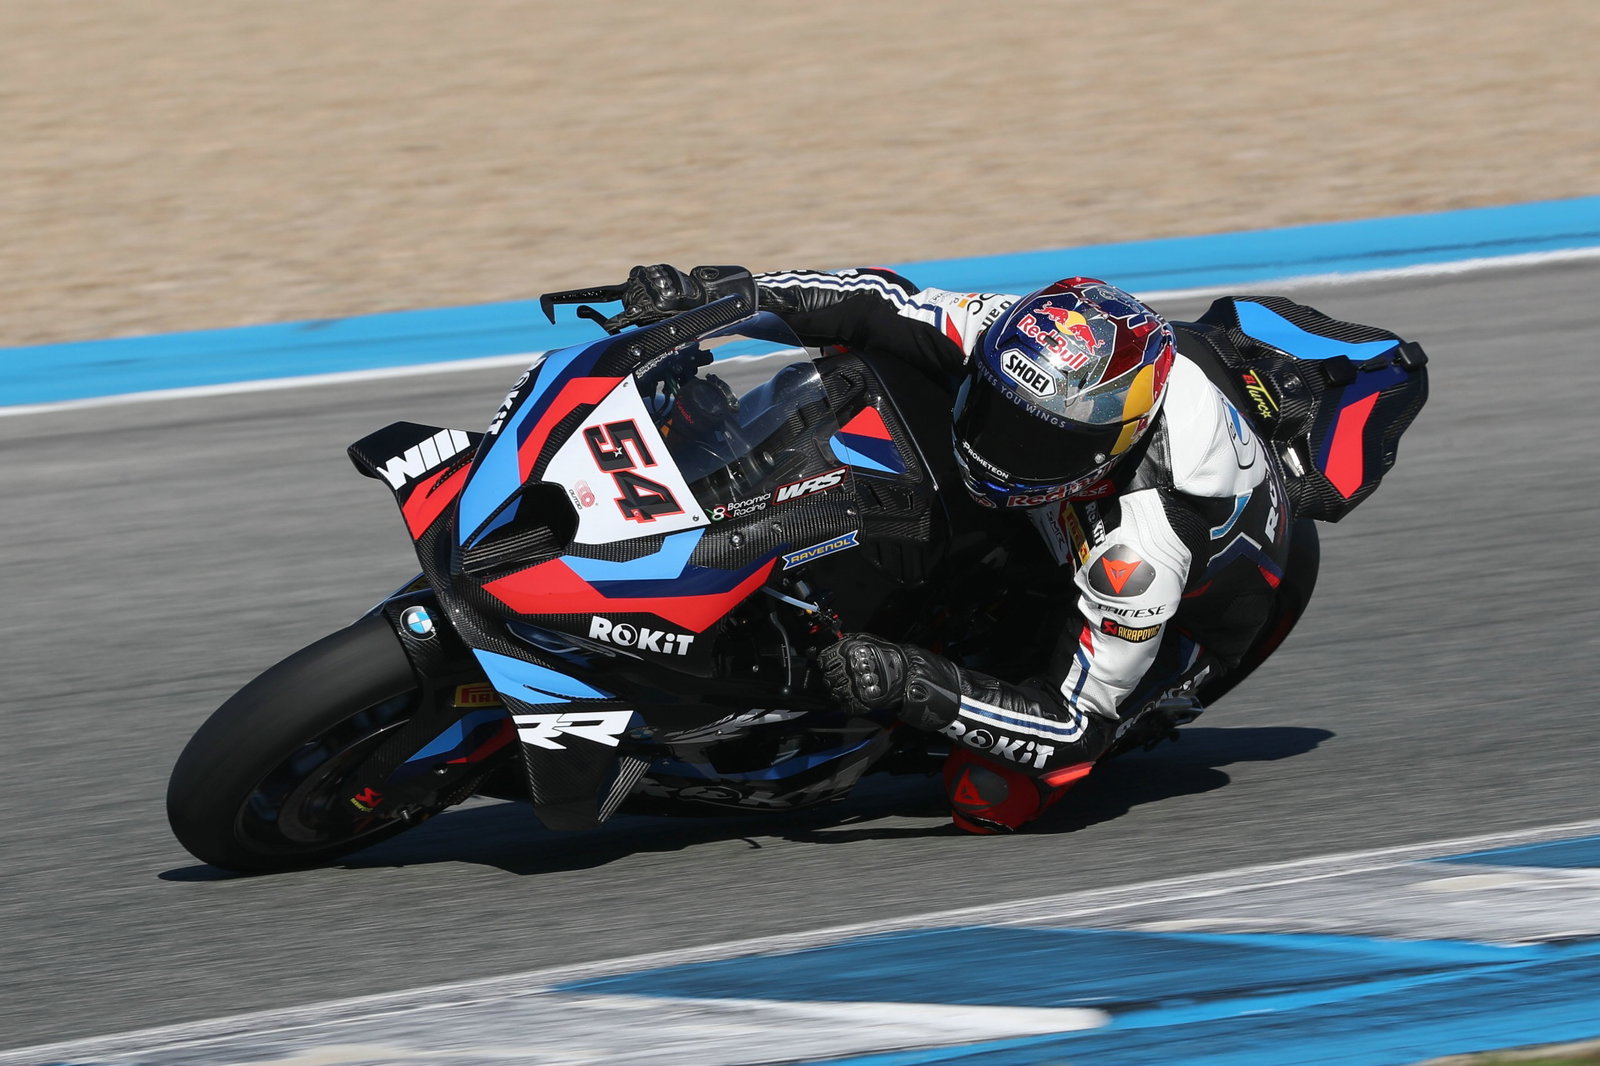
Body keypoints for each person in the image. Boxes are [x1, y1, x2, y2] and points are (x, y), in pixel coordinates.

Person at [604, 263, 1314, 834]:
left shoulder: (1143, 548)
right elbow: (878, 302)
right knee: (872, 365)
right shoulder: (1023, 339)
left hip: (1178, 631)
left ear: (1113, 446)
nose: (1000, 450)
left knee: (989, 797)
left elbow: (1073, 728)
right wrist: (726, 296)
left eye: (1036, 443)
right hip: (1059, 508)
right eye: (995, 411)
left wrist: (915, 682)